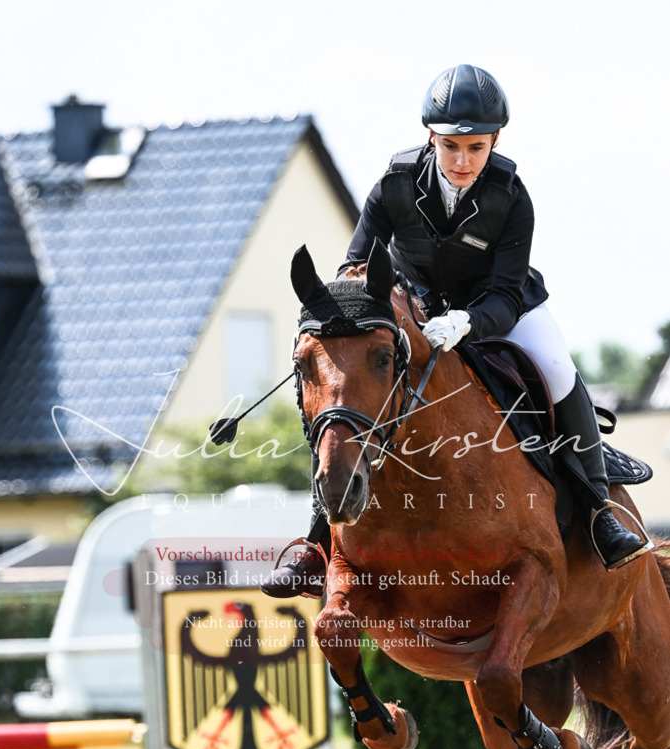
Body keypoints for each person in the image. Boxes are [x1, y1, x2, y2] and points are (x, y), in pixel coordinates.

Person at [262, 63, 650, 598]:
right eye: (451, 147)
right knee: (344, 392)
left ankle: (599, 512)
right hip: (417, 307)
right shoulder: (393, 185)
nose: (463, 160)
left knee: (559, 370)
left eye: (476, 147)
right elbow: (355, 267)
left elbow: (508, 292)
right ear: (432, 138)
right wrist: (338, 322)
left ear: (494, 141)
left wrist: (466, 322)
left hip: (501, 309)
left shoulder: (512, 197)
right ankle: (315, 544)